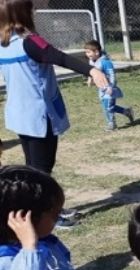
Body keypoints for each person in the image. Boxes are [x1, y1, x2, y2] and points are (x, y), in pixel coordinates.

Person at [0, 0, 109, 228]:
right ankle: (46, 215)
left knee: (32, 167)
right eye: (30, 8)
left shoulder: (3, 42)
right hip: (39, 116)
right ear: (23, 12)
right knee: (42, 171)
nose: (34, 11)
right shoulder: (30, 41)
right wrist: (91, 70)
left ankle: (32, 210)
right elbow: (60, 57)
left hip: (19, 115)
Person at [84, 40, 133, 131]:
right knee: (107, 107)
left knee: (108, 107)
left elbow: (112, 75)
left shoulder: (105, 62)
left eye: (88, 52)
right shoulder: (92, 61)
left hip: (109, 88)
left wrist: (111, 87)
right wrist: (90, 79)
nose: (87, 54)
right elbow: (91, 72)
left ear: (96, 52)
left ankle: (112, 124)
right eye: (86, 52)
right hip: (101, 88)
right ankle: (126, 111)